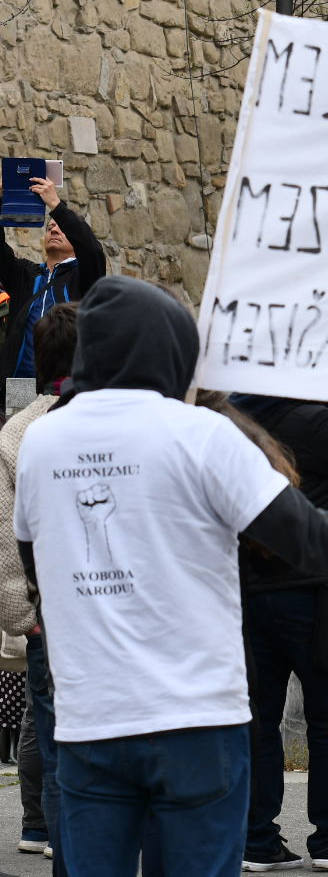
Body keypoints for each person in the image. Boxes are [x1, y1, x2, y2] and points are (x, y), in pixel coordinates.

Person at [11, 275, 328, 877]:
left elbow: (38, 567)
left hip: (91, 719)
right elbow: (316, 540)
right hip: (194, 720)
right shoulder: (202, 434)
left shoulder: (43, 442)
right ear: (169, 347)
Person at [229, 396, 328, 872]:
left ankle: (257, 838)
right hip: (314, 590)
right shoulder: (312, 419)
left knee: (259, 718)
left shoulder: (233, 422)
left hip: (251, 588)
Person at [0, 302, 76, 871]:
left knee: (47, 728)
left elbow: (6, 538)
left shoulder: (19, 430)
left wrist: (21, 615)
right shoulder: (40, 431)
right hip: (73, 611)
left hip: (47, 613)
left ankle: (47, 832)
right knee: (57, 735)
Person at [0, 177, 104, 378]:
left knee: (57, 410)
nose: (55, 229)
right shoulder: (25, 274)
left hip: (65, 381)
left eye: (61, 227)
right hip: (20, 381)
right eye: (50, 228)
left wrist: (56, 205)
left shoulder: (85, 276)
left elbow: (92, 250)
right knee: (19, 411)